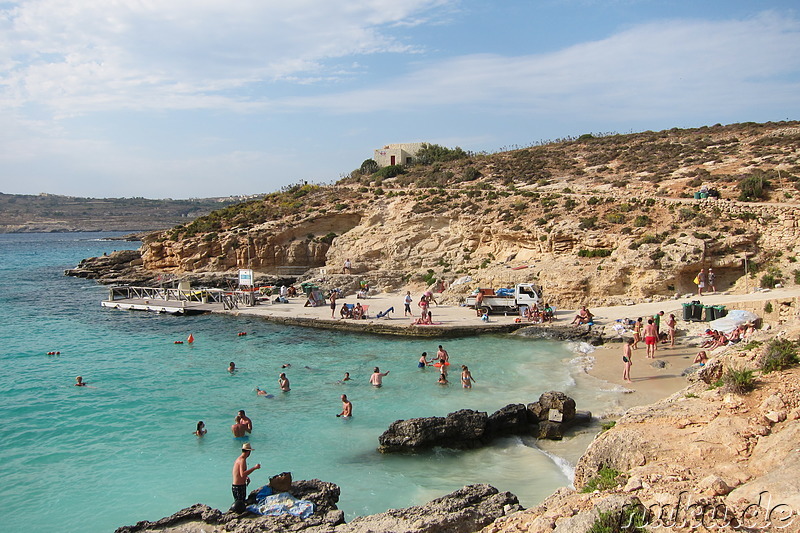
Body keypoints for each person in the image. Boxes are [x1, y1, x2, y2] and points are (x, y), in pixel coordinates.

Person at [231, 443, 261, 511]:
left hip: (236, 486)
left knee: (239, 504)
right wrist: (254, 468)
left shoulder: (239, 459)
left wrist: (246, 477)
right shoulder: (242, 460)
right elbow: (242, 474)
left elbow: (238, 473)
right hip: (239, 487)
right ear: (248, 452)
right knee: (240, 506)